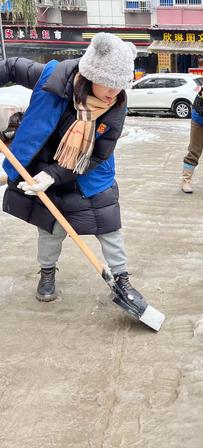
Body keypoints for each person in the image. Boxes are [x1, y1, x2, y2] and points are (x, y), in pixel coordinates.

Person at [0, 32, 144, 304]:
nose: (114, 92)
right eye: (108, 84)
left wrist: (53, 175)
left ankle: (122, 280)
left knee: (109, 226)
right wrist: (45, 173)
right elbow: (11, 67)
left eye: (120, 85)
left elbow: (98, 155)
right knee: (50, 227)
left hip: (88, 172)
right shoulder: (54, 77)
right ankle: (47, 272)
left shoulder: (116, 107)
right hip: (43, 161)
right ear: (90, 74)